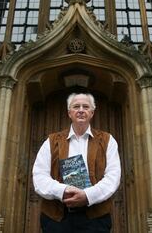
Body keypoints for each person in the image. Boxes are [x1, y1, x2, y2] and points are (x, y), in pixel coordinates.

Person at [32, 93, 121, 233]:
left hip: (95, 218)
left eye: (85, 107)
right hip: (56, 218)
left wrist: (87, 196)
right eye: (76, 106)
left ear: (92, 113)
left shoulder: (107, 140)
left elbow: (112, 178)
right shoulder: (51, 140)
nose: (81, 110)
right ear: (69, 113)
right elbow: (39, 176)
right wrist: (63, 191)